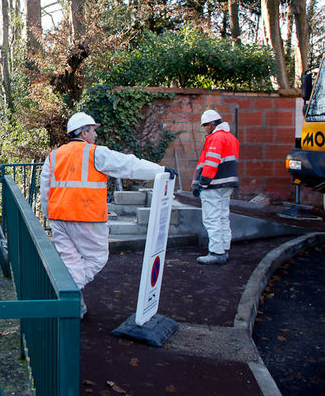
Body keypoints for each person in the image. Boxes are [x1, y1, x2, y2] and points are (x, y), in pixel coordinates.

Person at [40, 112, 178, 318]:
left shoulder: (53, 156)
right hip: (86, 216)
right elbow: (128, 166)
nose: (95, 135)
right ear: (84, 132)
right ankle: (66, 293)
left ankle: (75, 306)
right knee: (97, 259)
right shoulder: (95, 153)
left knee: (70, 261)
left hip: (59, 217)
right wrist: (159, 170)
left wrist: (49, 215)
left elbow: (45, 190)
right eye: (93, 130)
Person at [191, 109, 240, 265]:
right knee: (223, 216)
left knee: (212, 218)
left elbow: (211, 163)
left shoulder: (216, 138)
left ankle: (216, 252)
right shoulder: (231, 138)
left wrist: (201, 183)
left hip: (213, 185)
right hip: (227, 184)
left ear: (212, 124)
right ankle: (224, 248)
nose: (205, 129)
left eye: (205, 125)